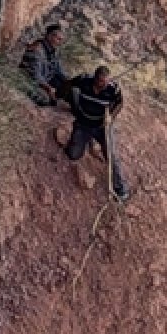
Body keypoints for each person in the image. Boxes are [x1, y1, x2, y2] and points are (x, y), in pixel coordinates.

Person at [65, 65, 131, 202]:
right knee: (73, 154)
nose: (104, 84)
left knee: (111, 154)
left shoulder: (113, 89)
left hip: (102, 127)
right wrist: (60, 95)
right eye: (101, 81)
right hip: (83, 124)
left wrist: (111, 117)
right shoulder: (84, 80)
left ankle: (120, 188)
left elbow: (119, 104)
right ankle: (85, 140)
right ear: (95, 78)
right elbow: (68, 84)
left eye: (106, 81)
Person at [22, 23, 68, 106]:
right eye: (58, 39)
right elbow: (35, 76)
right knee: (45, 99)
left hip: (47, 80)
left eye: (61, 40)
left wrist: (69, 82)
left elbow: (58, 71)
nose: (60, 43)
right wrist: (48, 88)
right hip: (31, 83)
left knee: (70, 90)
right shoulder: (36, 50)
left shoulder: (53, 49)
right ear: (49, 37)